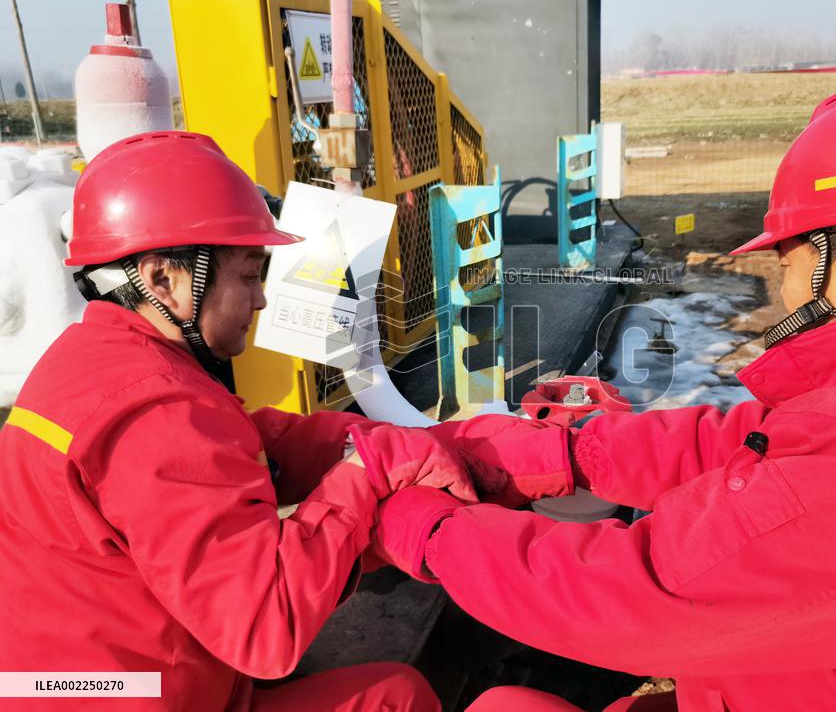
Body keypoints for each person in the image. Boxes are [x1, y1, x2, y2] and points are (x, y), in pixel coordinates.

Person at [360, 78, 836, 711]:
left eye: (789, 262)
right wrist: (566, 455)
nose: (785, 290)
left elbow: (644, 593)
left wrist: (429, 530)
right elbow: (744, 445)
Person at [0, 130, 484, 711]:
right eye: (250, 274)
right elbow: (265, 629)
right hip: (139, 695)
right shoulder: (156, 412)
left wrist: (372, 443)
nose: (259, 300)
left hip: (58, 680)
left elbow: (244, 447)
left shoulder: (94, 360)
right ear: (163, 280)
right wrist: (367, 474)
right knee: (396, 698)